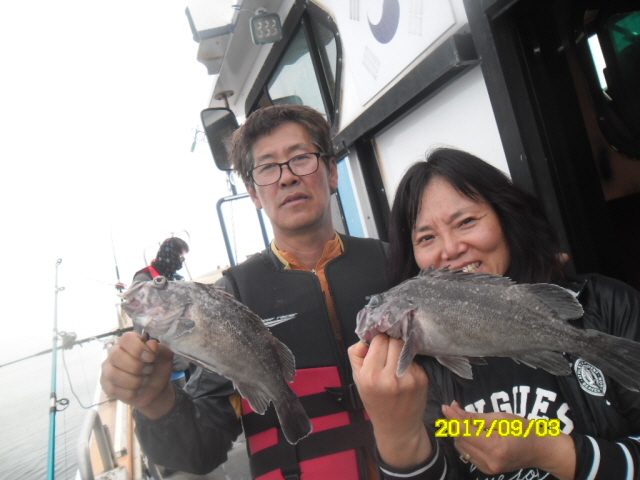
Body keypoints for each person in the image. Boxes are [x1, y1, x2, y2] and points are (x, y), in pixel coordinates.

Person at [100, 104, 390, 479]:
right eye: (267, 167)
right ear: (253, 193)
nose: (287, 177)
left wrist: (468, 432)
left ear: (331, 171)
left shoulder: (392, 263)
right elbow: (201, 452)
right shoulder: (230, 296)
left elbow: (457, 394)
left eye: (301, 158)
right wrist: (155, 402)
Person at [349, 147, 640, 480]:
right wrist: (394, 432)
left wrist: (554, 453)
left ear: (506, 217)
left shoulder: (608, 306)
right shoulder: (416, 370)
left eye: (466, 221)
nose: (450, 249)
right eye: (426, 237)